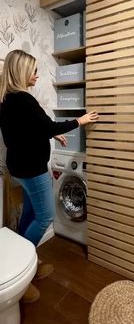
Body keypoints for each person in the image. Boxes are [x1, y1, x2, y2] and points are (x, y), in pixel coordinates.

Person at [0, 49, 99, 302]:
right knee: (46, 216)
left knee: (31, 213)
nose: (37, 75)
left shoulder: (6, 100)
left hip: (17, 169)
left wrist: (50, 133)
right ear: (21, 72)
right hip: (32, 170)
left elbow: (26, 131)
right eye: (33, 70)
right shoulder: (24, 100)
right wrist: (80, 121)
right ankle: (25, 267)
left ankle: (24, 258)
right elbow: (48, 125)